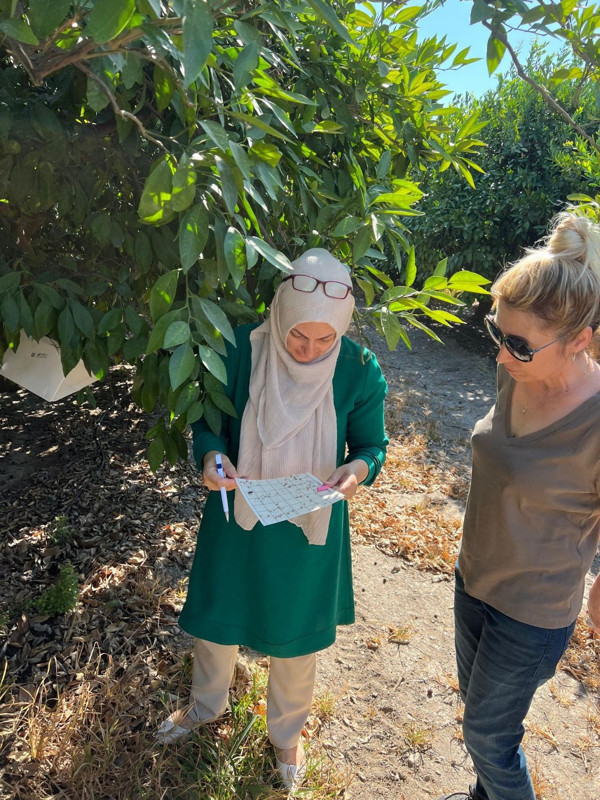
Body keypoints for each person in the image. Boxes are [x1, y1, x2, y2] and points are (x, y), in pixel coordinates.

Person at [156, 248, 388, 790]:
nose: (309, 351)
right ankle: (205, 705)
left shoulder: (358, 369)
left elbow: (371, 446)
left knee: (297, 634)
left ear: (342, 329)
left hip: (310, 523)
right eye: (298, 336)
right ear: (279, 313)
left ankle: (287, 731)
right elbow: (208, 423)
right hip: (239, 511)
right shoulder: (240, 349)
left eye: (325, 339)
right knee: (220, 615)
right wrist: (211, 456)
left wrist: (356, 472)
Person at [437, 212, 600, 800]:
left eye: (520, 345)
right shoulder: (516, 372)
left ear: (580, 340)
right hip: (473, 579)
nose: (502, 356)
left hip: (532, 612)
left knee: (487, 736)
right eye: (497, 333)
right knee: (479, 715)